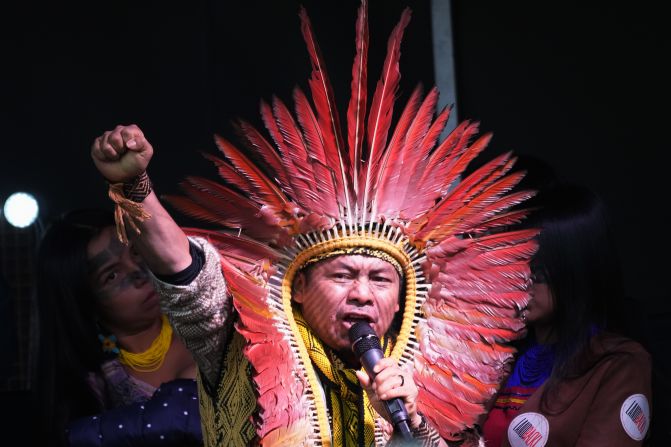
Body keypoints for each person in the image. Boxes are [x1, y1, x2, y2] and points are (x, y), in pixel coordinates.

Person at [88, 2, 538, 446]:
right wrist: (136, 187)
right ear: (298, 286)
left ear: (402, 299)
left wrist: (413, 426)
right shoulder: (234, 344)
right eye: (343, 275)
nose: (362, 293)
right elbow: (182, 272)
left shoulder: (413, 381)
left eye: (380, 279)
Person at [481, 183, 653, 446]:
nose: (518, 282)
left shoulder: (618, 365)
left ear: (574, 272)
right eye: (512, 265)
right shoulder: (503, 356)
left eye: (536, 272)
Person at [32, 209, 203, 446]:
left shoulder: (204, 315)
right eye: (111, 275)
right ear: (84, 301)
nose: (139, 273)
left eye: (135, 252)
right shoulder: (93, 388)